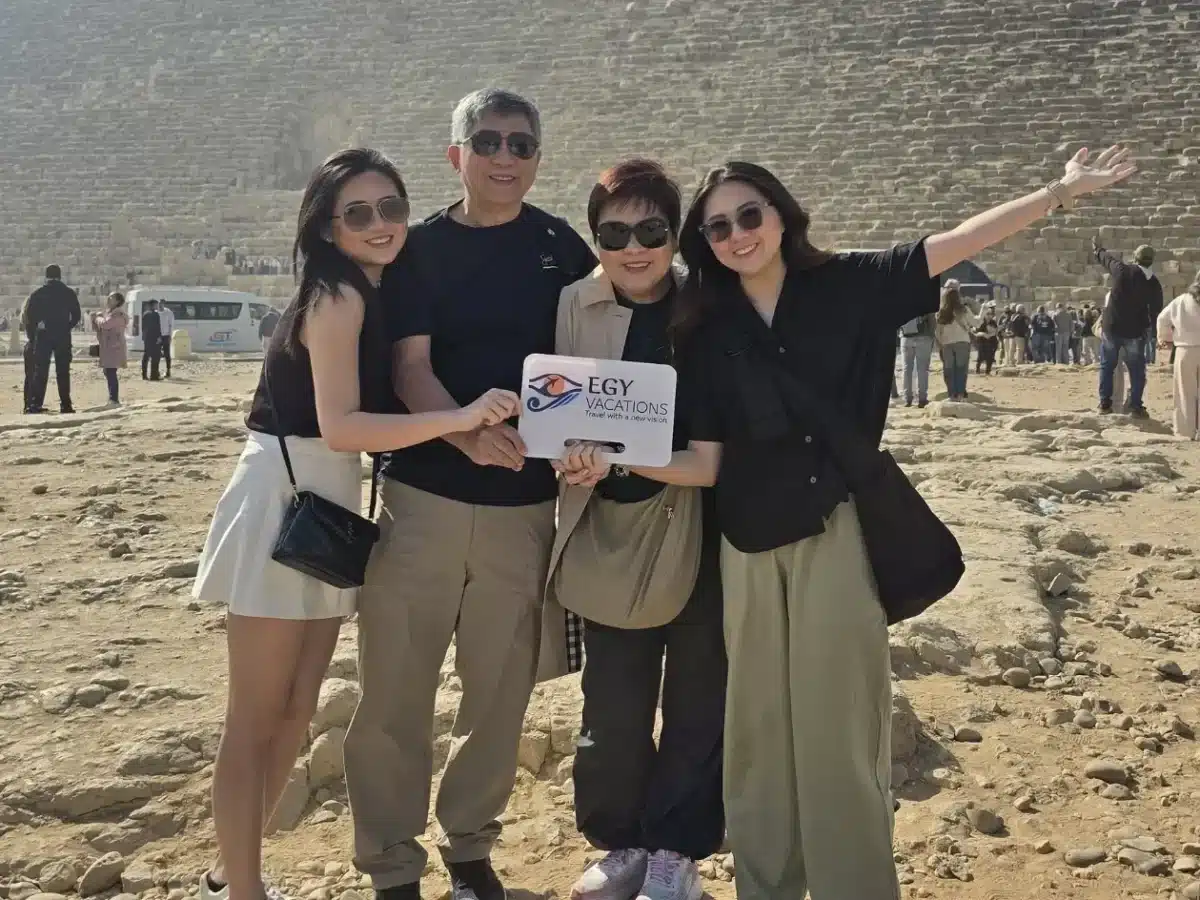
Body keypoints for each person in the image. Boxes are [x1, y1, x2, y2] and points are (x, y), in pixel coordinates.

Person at [572, 146, 1134, 900]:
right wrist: (614, 456)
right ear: (703, 244)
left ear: (781, 215)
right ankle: (766, 885)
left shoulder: (851, 286)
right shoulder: (707, 324)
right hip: (744, 545)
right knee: (758, 733)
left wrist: (1058, 195)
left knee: (839, 729)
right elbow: (706, 461)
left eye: (750, 215)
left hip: (831, 532)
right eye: (718, 227)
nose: (738, 234)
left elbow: (960, 242)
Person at [191, 149, 520, 900]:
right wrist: (461, 419)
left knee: (300, 707)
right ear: (327, 227)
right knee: (254, 717)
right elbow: (340, 426)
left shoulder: (375, 291)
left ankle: (230, 869)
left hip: (328, 504)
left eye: (392, 208)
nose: (381, 225)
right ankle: (241, 890)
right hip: (286, 498)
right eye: (359, 213)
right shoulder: (336, 298)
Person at [344, 89, 596, 900]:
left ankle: (469, 849)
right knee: (394, 690)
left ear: (536, 158)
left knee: (497, 692)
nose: (504, 155)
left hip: (525, 507)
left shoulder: (562, 245)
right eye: (486, 140)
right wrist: (460, 433)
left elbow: (597, 358)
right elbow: (409, 366)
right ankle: (390, 863)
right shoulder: (416, 249)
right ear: (455, 154)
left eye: (520, 143)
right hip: (423, 498)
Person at [547, 160, 725, 900]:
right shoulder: (575, 304)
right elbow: (558, 411)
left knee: (697, 695)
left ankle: (675, 849)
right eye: (613, 232)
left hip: (702, 528)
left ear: (674, 233)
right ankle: (620, 838)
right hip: (611, 530)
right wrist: (575, 460)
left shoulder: (712, 306)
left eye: (652, 229)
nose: (634, 246)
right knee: (613, 702)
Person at [1093, 240, 1161, 417]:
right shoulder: (1153, 283)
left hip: (1112, 327)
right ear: (1151, 261)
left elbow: (1107, 259)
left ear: (1135, 258)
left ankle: (1104, 404)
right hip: (1134, 332)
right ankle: (1136, 406)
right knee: (1137, 370)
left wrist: (1098, 249)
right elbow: (1156, 311)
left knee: (1107, 366)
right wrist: (1153, 333)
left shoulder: (1123, 270)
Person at [25, 264, 81, 413]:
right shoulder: (68, 293)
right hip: (62, 336)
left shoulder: (38, 293)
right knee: (63, 371)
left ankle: (35, 405)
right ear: (60, 276)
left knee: (40, 371)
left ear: (46, 276)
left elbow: (29, 318)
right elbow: (77, 315)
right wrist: (66, 326)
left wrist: (34, 336)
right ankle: (65, 405)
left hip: (43, 336)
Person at [1156, 276, 1200, 439]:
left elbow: (1162, 319)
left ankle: (1184, 431)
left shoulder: (1181, 300)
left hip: (1185, 350)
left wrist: (1166, 338)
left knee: (1184, 393)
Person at [934, 282, 974, 399]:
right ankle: (961, 394)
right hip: (962, 341)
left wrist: (940, 343)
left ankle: (952, 394)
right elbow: (975, 322)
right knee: (961, 369)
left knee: (949, 370)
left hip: (947, 343)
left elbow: (937, 331)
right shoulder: (963, 310)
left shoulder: (941, 312)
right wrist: (983, 310)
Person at [91, 292, 129, 407]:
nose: (108, 299)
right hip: (109, 347)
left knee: (111, 371)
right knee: (108, 371)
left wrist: (97, 318)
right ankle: (112, 398)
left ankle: (114, 399)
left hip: (114, 347)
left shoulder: (118, 315)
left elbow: (106, 324)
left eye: (111, 297)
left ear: (117, 301)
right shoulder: (111, 313)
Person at [898, 308, 935, 407]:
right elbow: (932, 319)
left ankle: (907, 399)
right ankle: (922, 399)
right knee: (922, 369)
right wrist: (932, 335)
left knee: (906, 369)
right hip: (923, 337)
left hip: (906, 337)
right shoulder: (925, 298)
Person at [974, 304, 1000, 375]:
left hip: (992, 342)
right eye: (987, 314)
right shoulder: (980, 322)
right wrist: (983, 334)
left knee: (990, 357)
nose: (989, 315)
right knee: (980, 357)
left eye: (991, 314)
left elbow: (995, 331)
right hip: (982, 342)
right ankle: (977, 370)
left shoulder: (993, 322)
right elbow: (975, 332)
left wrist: (990, 334)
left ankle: (987, 371)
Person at [141, 299, 164, 381]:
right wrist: (159, 337)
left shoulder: (145, 314)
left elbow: (143, 327)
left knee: (146, 356)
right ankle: (154, 376)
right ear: (153, 305)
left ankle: (144, 375)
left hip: (147, 338)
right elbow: (157, 327)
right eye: (156, 305)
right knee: (156, 357)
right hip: (154, 338)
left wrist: (144, 337)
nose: (157, 306)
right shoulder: (155, 314)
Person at [158, 301, 176, 378]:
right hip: (157, 336)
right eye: (158, 304)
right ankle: (157, 371)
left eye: (161, 304)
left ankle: (168, 370)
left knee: (167, 354)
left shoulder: (169, 313)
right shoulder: (156, 313)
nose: (160, 306)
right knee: (156, 354)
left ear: (163, 304)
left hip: (166, 336)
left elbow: (171, 325)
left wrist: (170, 336)